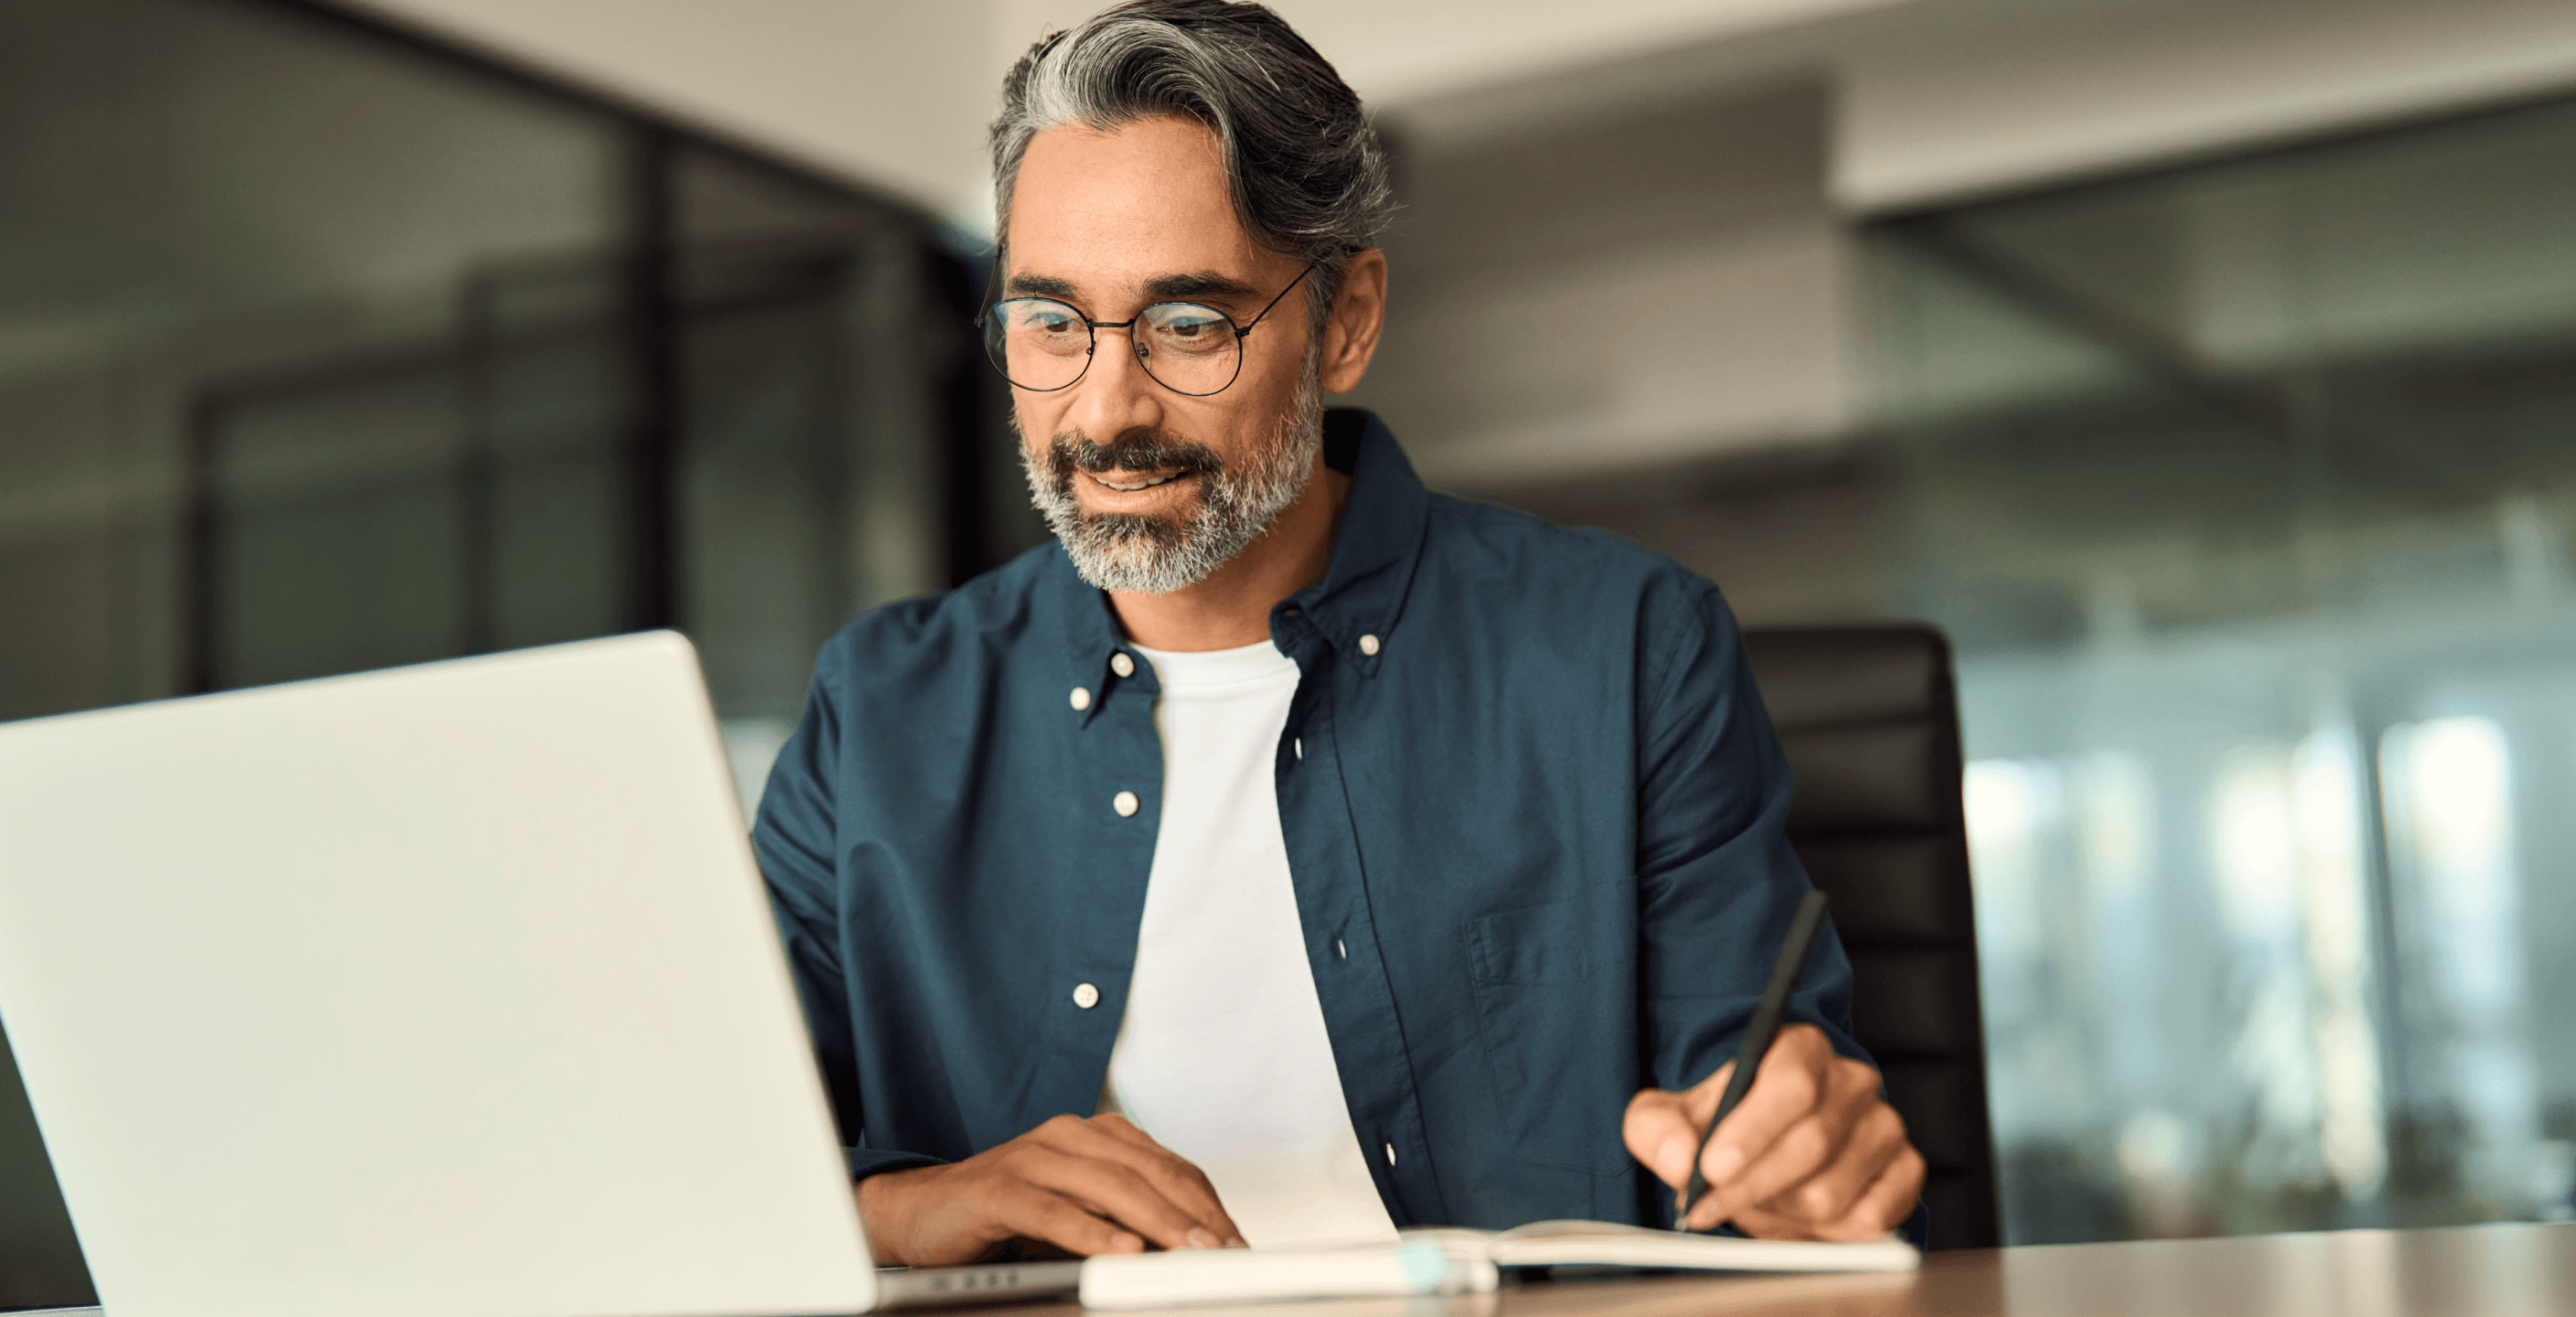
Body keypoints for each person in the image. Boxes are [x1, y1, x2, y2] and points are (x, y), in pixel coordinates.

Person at [751, 0, 1925, 1268]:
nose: (1103, 407)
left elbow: (1760, 1133)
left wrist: (1800, 1165)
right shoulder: (876, 709)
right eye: (1050, 322)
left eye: (1187, 324)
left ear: (1346, 320)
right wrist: (916, 1210)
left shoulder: (1629, 652)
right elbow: (711, 1163)